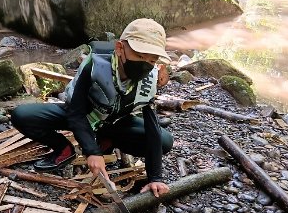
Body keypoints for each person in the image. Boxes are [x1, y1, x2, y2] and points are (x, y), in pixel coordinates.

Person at [11, 18, 173, 197]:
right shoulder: (95, 63)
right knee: (22, 115)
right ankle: (64, 149)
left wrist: (155, 177)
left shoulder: (151, 77)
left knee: (165, 141)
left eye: (151, 60)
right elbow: (76, 112)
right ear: (120, 48)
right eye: (140, 56)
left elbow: (152, 126)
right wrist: (92, 152)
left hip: (115, 122)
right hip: (83, 115)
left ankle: (108, 140)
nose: (145, 64)